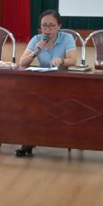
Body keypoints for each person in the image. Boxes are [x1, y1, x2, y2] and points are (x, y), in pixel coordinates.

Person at [15, 10, 79, 156]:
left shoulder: (67, 38)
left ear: (59, 26)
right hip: (41, 81)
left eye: (51, 25)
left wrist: (61, 60)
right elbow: (22, 63)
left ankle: (59, 137)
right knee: (29, 103)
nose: (47, 29)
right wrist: (36, 51)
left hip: (62, 81)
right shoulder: (37, 39)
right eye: (44, 26)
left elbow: (73, 60)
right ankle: (28, 141)